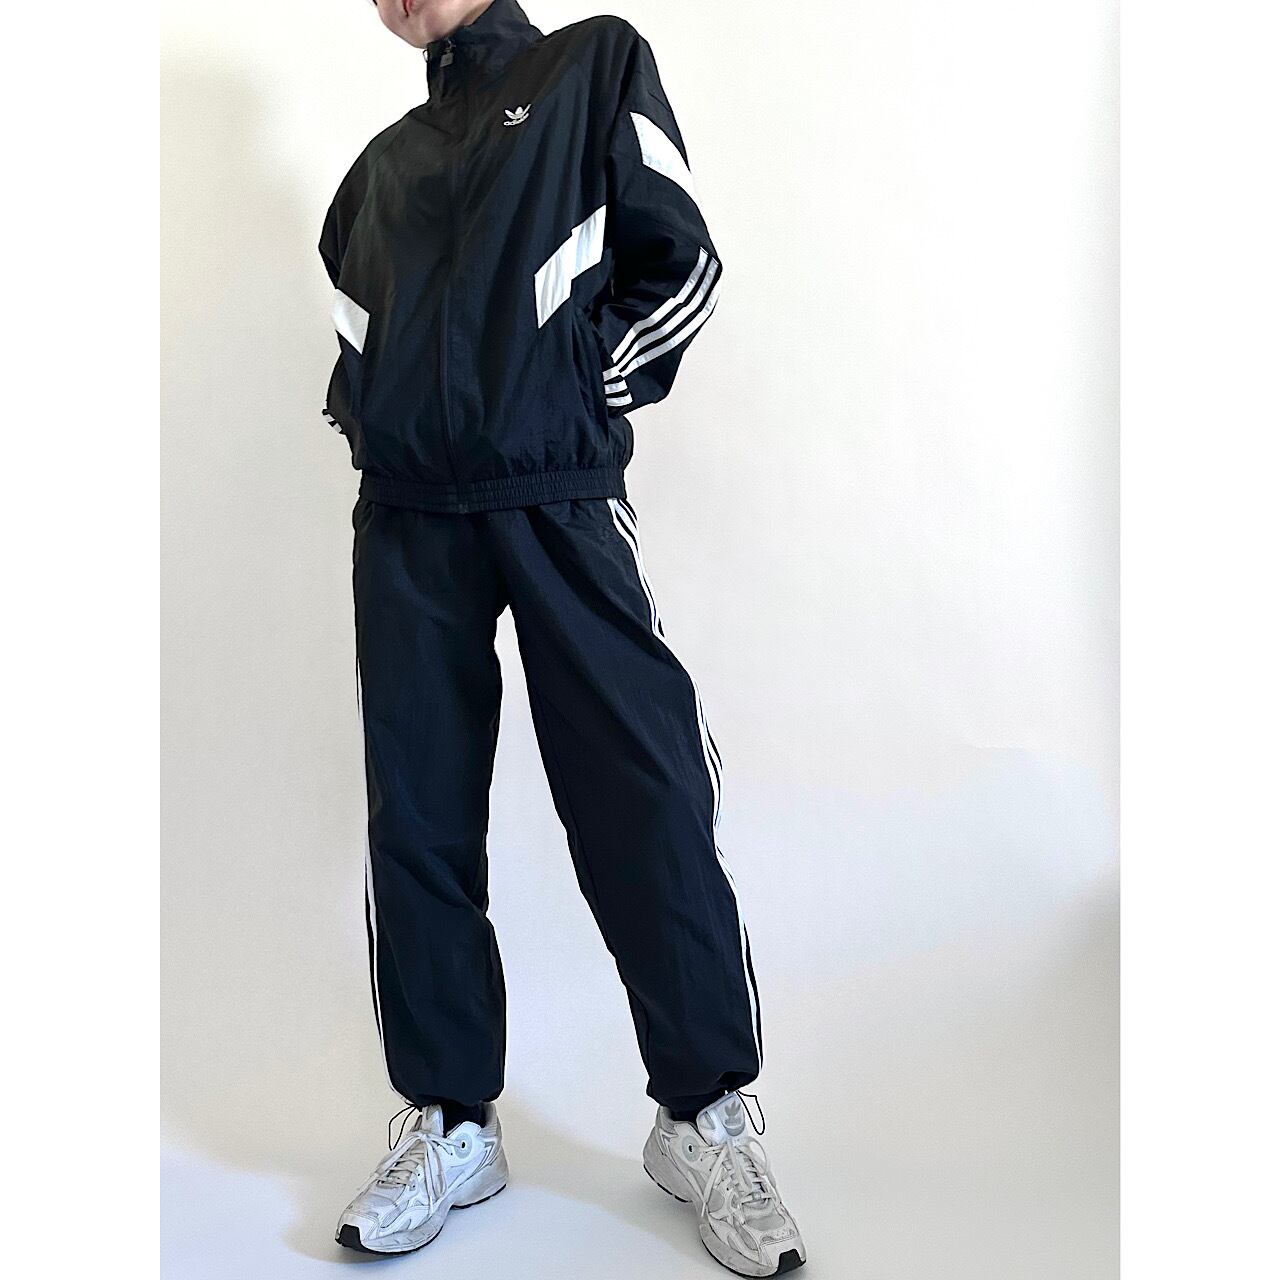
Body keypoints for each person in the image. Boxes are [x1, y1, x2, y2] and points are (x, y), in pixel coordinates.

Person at [319, 1, 806, 1273]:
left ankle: (701, 1114)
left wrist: (576, 393)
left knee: (642, 788)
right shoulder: (374, 173)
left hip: (554, 492)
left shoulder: (592, 65)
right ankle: (450, 1121)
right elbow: (351, 350)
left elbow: (679, 260)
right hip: (406, 523)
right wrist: (379, 427)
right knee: (416, 816)